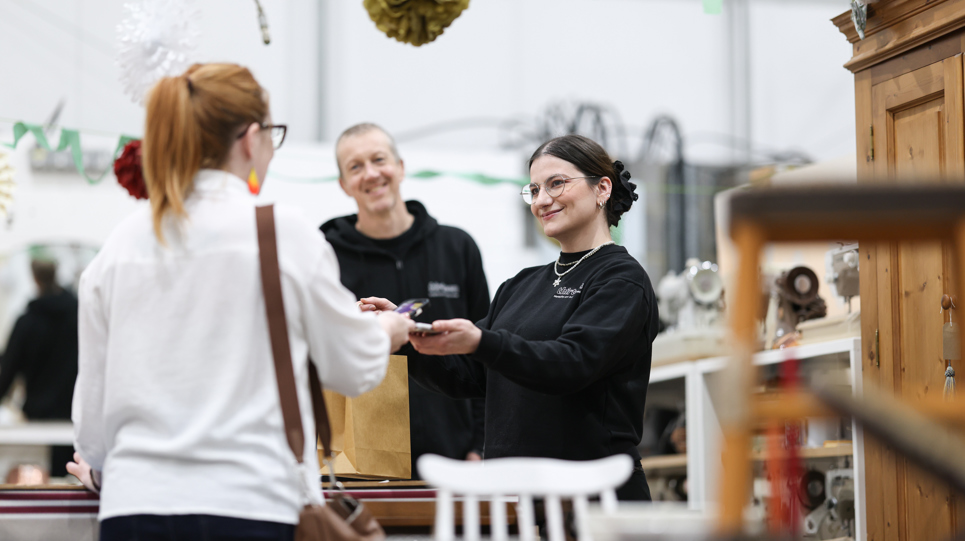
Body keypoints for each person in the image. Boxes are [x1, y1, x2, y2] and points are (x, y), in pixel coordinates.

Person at [66, 63, 413, 541]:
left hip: (134, 510)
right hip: (252, 506)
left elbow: (91, 429)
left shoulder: (118, 247)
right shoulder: (281, 233)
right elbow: (353, 368)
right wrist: (387, 330)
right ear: (252, 139)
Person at [374, 134, 658, 500]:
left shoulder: (621, 279)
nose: (542, 200)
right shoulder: (521, 285)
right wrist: (405, 338)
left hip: (595, 501)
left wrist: (482, 341)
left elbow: (573, 362)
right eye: (534, 189)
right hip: (516, 501)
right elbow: (469, 375)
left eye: (556, 183)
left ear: (602, 188)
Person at [321, 123, 489, 474]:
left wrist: (480, 444)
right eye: (355, 166)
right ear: (343, 184)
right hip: (363, 465)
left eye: (379, 159)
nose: (370, 173)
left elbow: (486, 351)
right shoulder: (325, 256)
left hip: (455, 460)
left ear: (400, 167)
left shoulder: (457, 248)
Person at [0, 258, 78, 478]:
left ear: (34, 279)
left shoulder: (27, 322)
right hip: (74, 414)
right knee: (69, 483)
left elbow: (8, 371)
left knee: (39, 484)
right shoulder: (79, 317)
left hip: (37, 419)